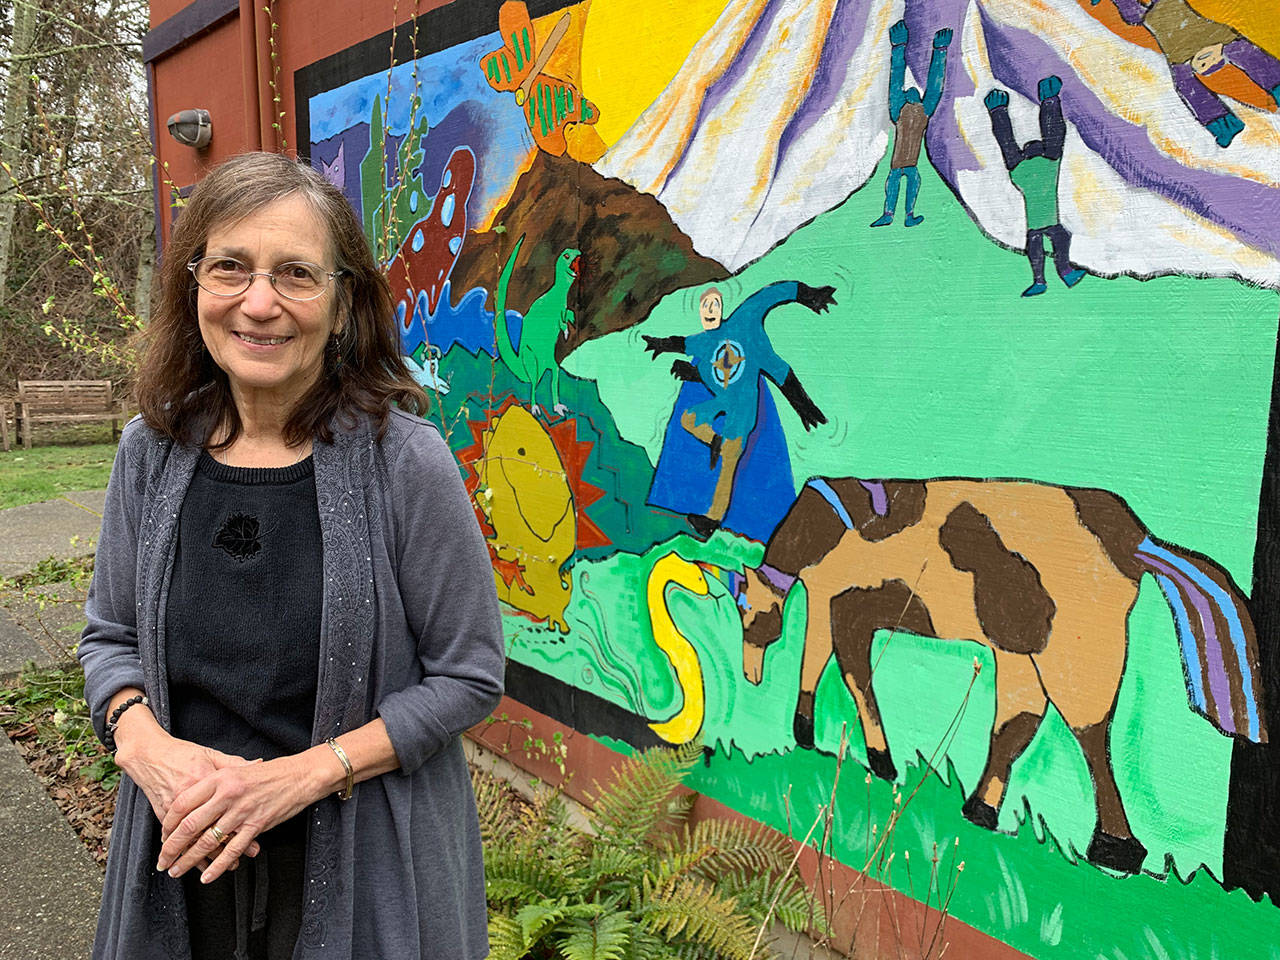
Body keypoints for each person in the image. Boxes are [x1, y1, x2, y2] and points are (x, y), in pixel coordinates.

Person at [77, 152, 506, 959]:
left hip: (361, 870)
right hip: (180, 862)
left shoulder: (404, 462)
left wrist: (303, 776)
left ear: (343, 306)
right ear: (194, 285)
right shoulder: (151, 452)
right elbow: (109, 639)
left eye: (296, 275)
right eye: (230, 267)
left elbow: (469, 674)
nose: (260, 303)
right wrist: (146, 747)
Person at [642, 282, 833, 539]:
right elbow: (681, 343)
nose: (710, 310)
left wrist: (808, 294)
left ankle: (711, 519)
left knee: (729, 461)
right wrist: (660, 344)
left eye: (714, 305)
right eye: (705, 306)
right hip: (721, 402)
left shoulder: (746, 322)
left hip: (741, 410)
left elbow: (770, 295)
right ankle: (715, 441)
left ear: (721, 309)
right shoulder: (705, 341)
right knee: (688, 419)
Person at [1092, 0, 1280, 148]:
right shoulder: (1129, 7)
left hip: (1201, 29)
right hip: (1176, 47)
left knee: (1244, 50)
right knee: (1185, 84)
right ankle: (1224, 126)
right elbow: (1132, 17)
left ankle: (1277, 86)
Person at [984, 76, 1088, 298]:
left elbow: (1007, 143)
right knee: (1061, 239)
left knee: (1037, 248)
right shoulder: (1048, 166)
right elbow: (1054, 133)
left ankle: (1040, 280)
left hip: (1035, 226)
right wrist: (1050, 101)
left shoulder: (1021, 172)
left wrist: (998, 112)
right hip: (1051, 222)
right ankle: (1065, 271)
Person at [870, 21, 952, 229]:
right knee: (896, 184)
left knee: (911, 183)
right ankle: (889, 214)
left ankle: (908, 214)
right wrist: (898, 47)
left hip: (908, 164)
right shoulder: (902, 111)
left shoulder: (919, 111)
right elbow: (897, 81)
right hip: (899, 164)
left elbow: (935, 85)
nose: (912, 91)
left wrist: (940, 51)